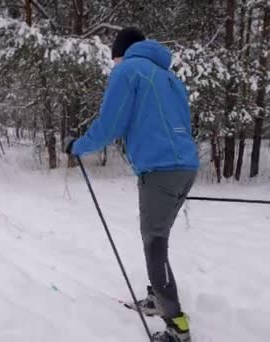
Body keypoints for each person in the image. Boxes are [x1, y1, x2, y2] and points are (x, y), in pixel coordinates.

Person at [64, 27, 199, 342]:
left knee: (155, 245)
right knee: (158, 239)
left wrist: (78, 146)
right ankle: (157, 298)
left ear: (120, 53)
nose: (114, 66)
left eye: (114, 60)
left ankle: (177, 326)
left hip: (160, 170)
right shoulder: (169, 78)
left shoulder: (128, 71)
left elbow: (111, 124)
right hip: (184, 167)